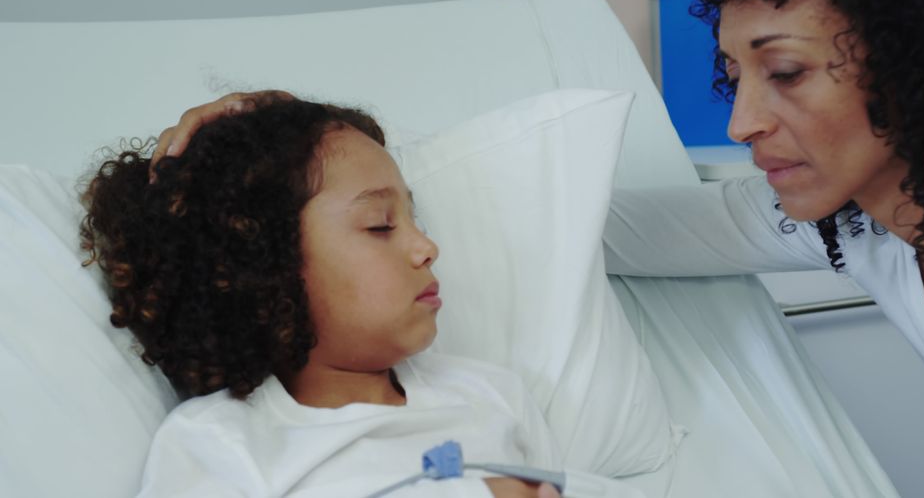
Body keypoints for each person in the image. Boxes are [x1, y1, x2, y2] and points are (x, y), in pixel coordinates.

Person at [150, 0, 924, 494]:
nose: (742, 120)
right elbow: (577, 216)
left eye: (785, 71)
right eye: (736, 74)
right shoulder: (858, 227)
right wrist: (273, 160)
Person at [84, 97, 640, 497]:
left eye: (414, 218)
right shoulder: (222, 442)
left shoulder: (491, 396)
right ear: (263, 264)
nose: (427, 246)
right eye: (380, 225)